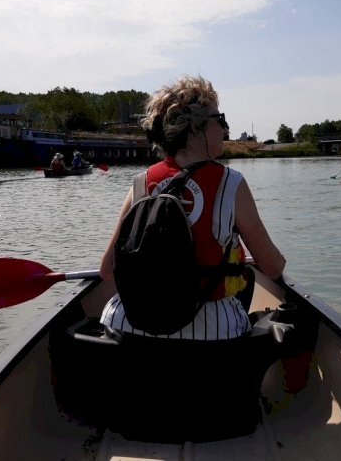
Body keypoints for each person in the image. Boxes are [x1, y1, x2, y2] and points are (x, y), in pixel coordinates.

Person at [99, 75, 286, 340]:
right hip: (212, 332)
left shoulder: (141, 183)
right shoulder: (231, 183)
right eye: (219, 121)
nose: (225, 130)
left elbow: (107, 271)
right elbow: (273, 268)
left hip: (128, 326)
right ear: (195, 128)